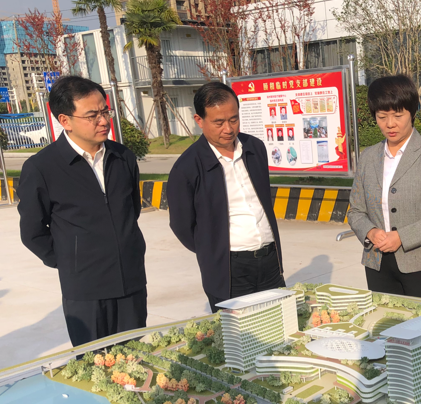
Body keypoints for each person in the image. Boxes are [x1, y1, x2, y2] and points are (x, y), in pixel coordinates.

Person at [18, 75, 146, 346]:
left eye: (105, 111)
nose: (103, 121)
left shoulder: (123, 157)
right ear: (65, 120)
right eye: (92, 115)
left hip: (131, 282)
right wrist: (71, 261)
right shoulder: (42, 168)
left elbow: (131, 211)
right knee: (94, 364)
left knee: (136, 360)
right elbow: (32, 232)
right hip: (85, 292)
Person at [167, 82, 285, 313]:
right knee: (238, 333)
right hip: (229, 270)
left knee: (279, 324)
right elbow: (182, 226)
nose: (228, 129)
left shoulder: (255, 148)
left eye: (234, 119)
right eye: (219, 122)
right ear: (199, 120)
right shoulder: (187, 168)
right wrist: (213, 249)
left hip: (270, 260)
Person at [347, 74, 421, 297]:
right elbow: (356, 211)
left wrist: (402, 237)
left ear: (412, 112)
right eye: (382, 116)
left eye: (398, 115)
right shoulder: (368, 157)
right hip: (377, 265)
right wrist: (370, 232)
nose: (390, 124)